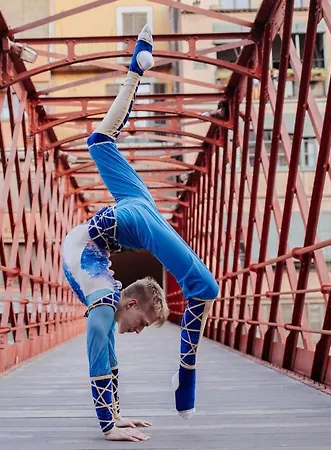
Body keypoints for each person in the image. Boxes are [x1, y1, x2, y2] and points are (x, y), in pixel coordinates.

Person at [62, 25, 219, 442]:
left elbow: (106, 347)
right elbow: (97, 341)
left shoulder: (107, 291)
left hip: (128, 213)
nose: (138, 330)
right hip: (128, 223)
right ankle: (185, 379)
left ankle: (136, 68)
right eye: (143, 322)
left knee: (99, 143)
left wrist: (117, 417)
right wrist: (108, 427)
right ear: (131, 302)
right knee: (204, 287)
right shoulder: (104, 293)